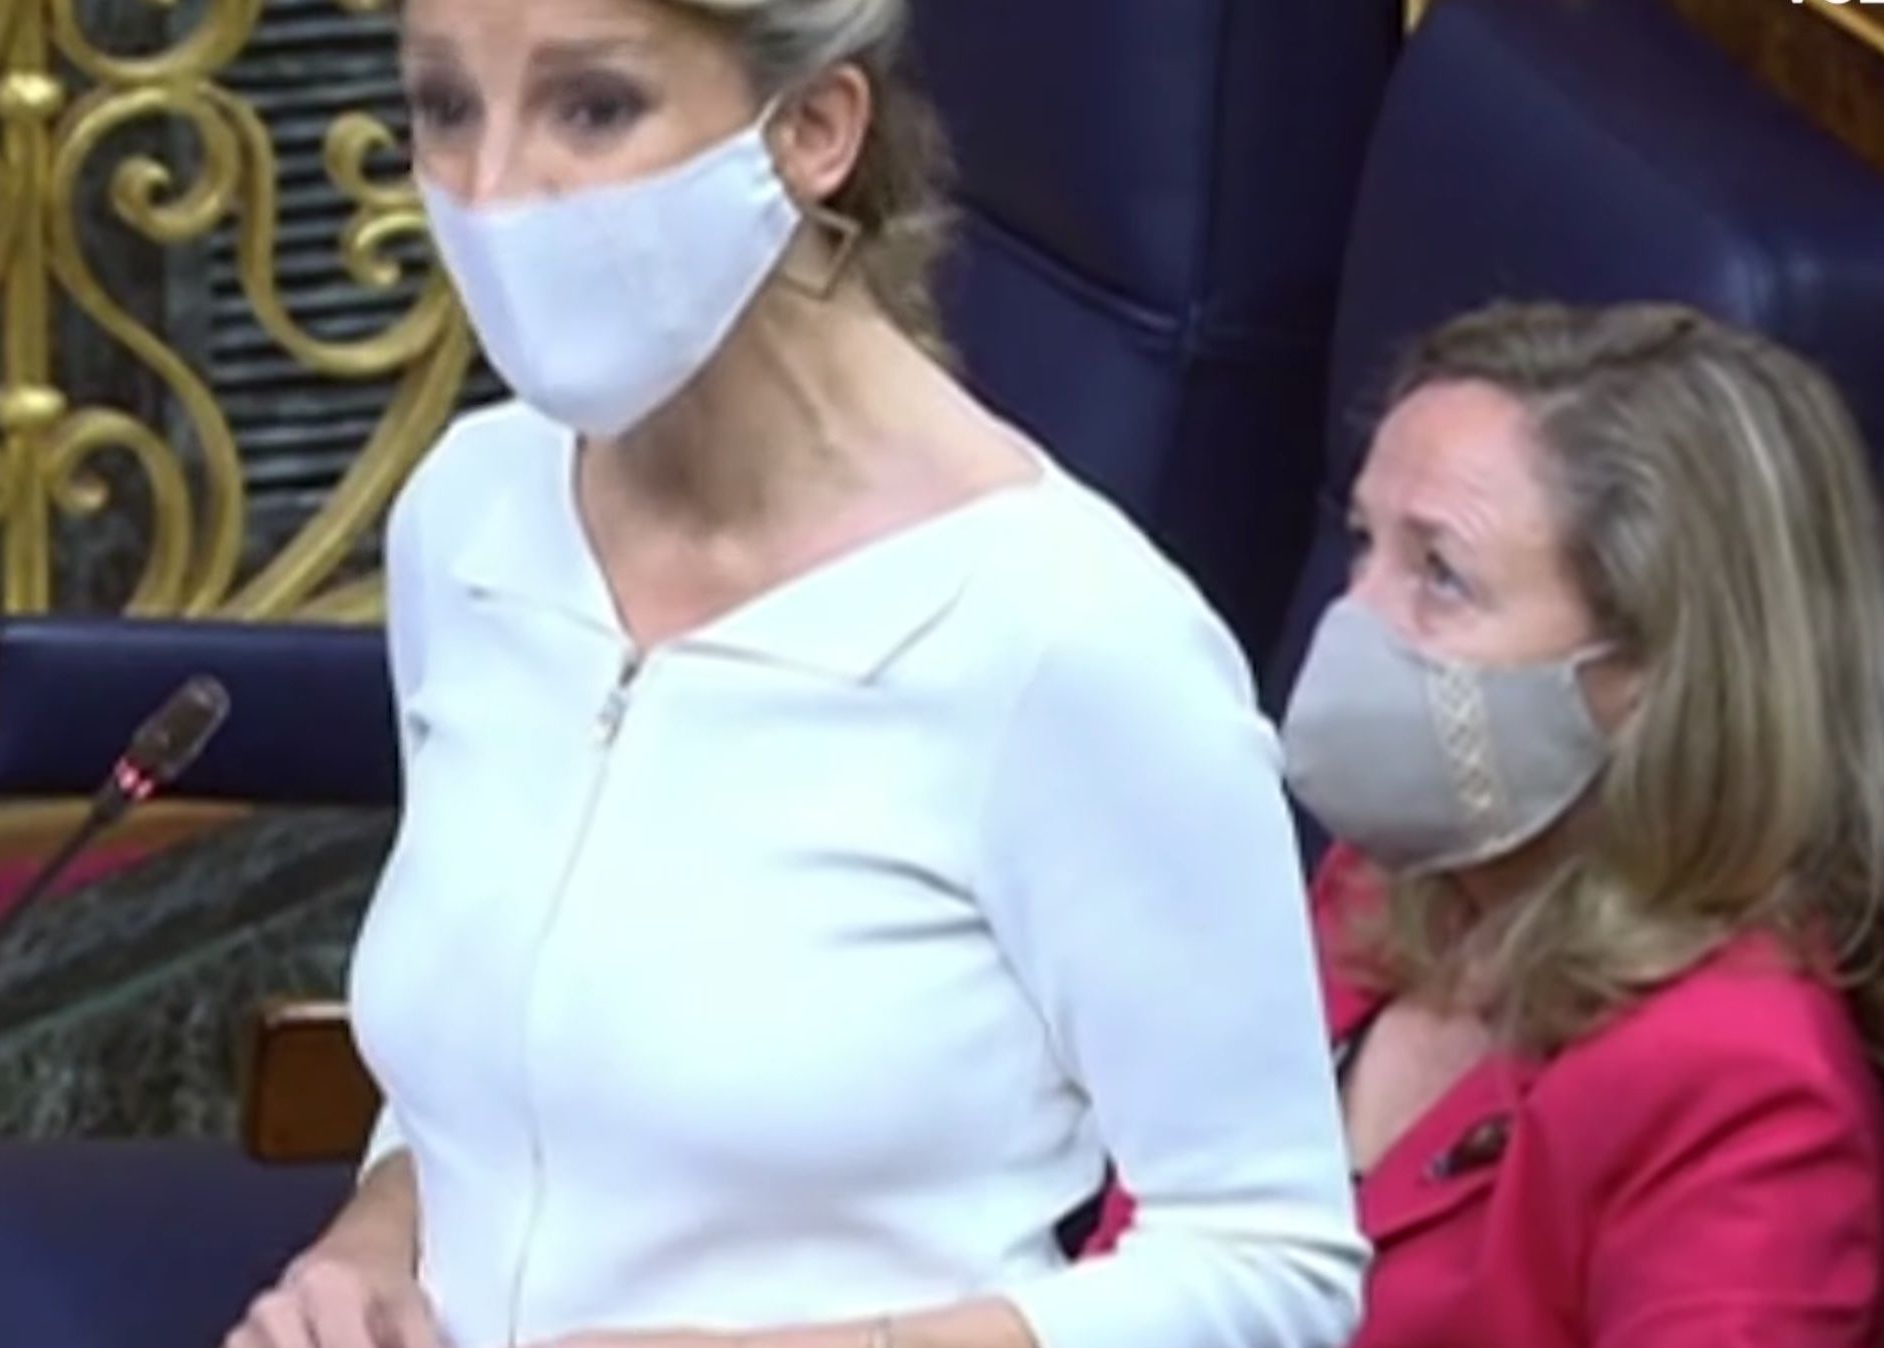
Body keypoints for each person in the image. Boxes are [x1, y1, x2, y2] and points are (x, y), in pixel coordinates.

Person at [223, 0, 1366, 1346]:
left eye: (592, 108)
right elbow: (486, 1075)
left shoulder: (1071, 639)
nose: (493, 191)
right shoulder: (469, 516)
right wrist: (373, 1247)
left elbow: (1270, 1263)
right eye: (445, 108)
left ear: (814, 127)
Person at [1277, 301, 1884, 1343]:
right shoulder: (1379, 884)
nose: (1354, 621)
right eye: (1363, 544)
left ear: (1652, 673)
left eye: (1439, 575)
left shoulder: (1746, 1089)